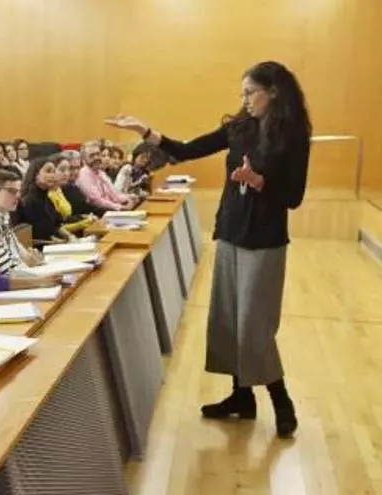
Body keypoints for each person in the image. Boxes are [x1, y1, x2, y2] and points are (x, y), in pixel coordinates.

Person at [104, 61, 311, 438]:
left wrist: (258, 181)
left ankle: (282, 401)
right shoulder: (239, 127)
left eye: (250, 92)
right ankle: (242, 397)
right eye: (242, 93)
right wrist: (145, 131)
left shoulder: (293, 135)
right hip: (231, 230)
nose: (244, 100)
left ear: (273, 92)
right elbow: (186, 150)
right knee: (228, 319)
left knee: (255, 326)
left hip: (265, 239)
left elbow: (293, 197)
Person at [0, 170, 43, 269]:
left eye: (19, 191)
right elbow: (3, 265)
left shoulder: (5, 214)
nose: (18, 196)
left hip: (22, 270)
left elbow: (15, 246)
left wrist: (30, 258)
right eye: (12, 191)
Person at [75, 140, 135, 211]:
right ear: (83, 160)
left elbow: (115, 196)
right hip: (98, 213)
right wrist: (120, 207)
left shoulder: (101, 172)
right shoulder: (83, 174)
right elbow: (96, 201)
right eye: (92, 155)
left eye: (98, 154)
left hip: (110, 210)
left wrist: (129, 198)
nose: (96, 158)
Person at [49, 154, 97, 235]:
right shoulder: (49, 194)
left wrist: (82, 217)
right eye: (62, 170)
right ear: (52, 172)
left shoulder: (58, 190)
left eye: (68, 169)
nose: (67, 174)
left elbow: (66, 218)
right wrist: (86, 222)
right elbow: (57, 228)